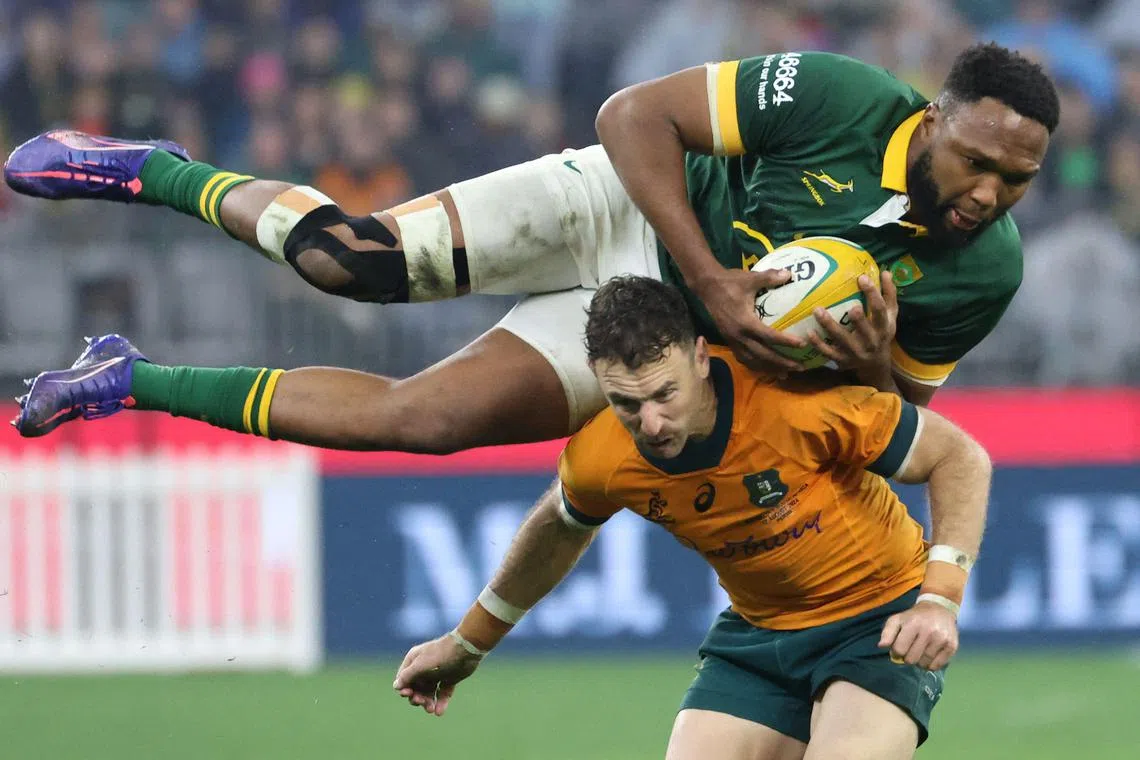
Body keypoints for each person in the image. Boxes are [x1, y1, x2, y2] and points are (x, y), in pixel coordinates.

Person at [4, 44, 1057, 449]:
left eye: (1016, 180)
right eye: (977, 162)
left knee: (425, 422)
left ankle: (127, 378)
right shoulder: (840, 97)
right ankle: (151, 170)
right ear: (932, 118)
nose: (988, 194)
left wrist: (867, 371)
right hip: (625, 207)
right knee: (350, 260)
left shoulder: (987, 269)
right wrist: (710, 275)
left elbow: (901, 428)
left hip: (666, 331)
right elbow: (630, 115)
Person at [393, 276, 992, 760]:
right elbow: (557, 530)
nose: (651, 423)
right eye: (627, 403)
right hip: (759, 636)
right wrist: (469, 642)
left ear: (701, 357)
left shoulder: (791, 402)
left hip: (878, 620)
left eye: (664, 394)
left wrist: (939, 599)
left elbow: (959, 456)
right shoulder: (603, 457)